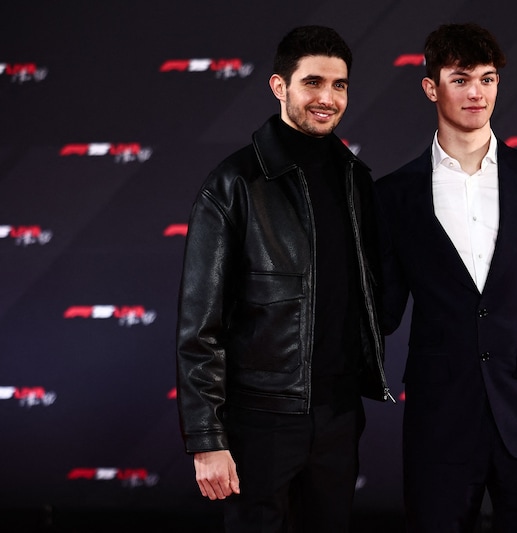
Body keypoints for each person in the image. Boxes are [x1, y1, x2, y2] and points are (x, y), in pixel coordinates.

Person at [175, 25, 391, 533]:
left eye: (339, 85)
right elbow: (198, 326)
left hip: (338, 416)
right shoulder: (234, 183)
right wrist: (207, 437)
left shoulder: (357, 179)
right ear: (279, 87)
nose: (327, 98)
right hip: (261, 419)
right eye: (313, 82)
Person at [376, 23, 517, 532]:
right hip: (439, 418)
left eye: (488, 79)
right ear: (431, 87)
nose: (477, 92)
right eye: (461, 78)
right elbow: (382, 312)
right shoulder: (394, 195)